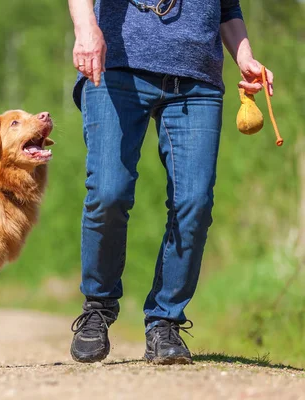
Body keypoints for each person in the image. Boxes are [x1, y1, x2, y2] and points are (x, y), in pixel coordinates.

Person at [67, 0, 273, 364]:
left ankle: (165, 322)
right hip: (115, 68)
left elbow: (226, 9)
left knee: (194, 202)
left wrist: (245, 58)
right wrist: (86, 30)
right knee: (108, 191)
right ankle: (98, 308)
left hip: (197, 80)